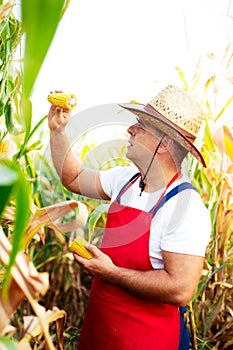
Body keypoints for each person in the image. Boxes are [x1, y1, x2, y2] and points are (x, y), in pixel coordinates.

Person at [48, 85, 211, 350]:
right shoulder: (126, 180)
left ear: (164, 143)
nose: (130, 130)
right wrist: (58, 131)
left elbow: (180, 289)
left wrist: (111, 273)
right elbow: (73, 178)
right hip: (101, 329)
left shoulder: (185, 207)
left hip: (147, 340)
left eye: (141, 125)